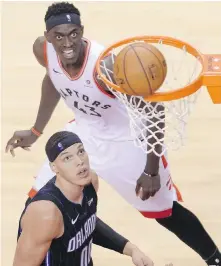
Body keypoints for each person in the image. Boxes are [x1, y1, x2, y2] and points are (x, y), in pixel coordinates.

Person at [6, 2, 220, 266]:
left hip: (127, 139)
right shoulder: (44, 51)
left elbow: (153, 113)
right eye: (59, 36)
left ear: (82, 31)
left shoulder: (105, 66)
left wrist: (151, 170)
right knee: (38, 205)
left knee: (163, 211)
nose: (67, 42)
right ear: (48, 37)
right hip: (84, 134)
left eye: (73, 33)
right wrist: (36, 130)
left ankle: (215, 259)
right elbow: (52, 79)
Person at [13, 131, 154, 266]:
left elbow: (85, 222)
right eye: (67, 158)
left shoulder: (90, 182)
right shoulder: (46, 213)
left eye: (81, 151)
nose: (80, 161)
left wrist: (132, 249)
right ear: (54, 168)